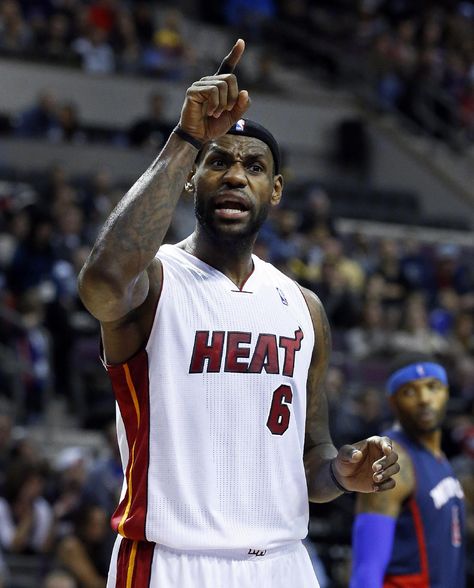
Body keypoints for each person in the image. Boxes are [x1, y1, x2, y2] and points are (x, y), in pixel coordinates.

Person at [78, 39, 399, 588]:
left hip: (283, 563)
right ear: (190, 178)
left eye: (253, 167)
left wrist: (342, 473)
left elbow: (311, 458)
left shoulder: (303, 307)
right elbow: (102, 285)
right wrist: (186, 138)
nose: (234, 176)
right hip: (171, 561)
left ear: (274, 191)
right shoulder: (153, 279)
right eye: (218, 161)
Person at [350, 352, 466, 587]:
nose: (424, 399)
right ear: (392, 402)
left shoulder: (439, 458)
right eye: (409, 391)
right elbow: (367, 570)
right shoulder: (393, 461)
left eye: (432, 387)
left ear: (446, 392)